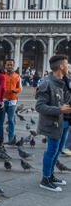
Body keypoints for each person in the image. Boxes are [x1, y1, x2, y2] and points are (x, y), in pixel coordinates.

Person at [36, 55, 71, 192]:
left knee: (57, 152)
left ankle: (51, 175)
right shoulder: (47, 83)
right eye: (67, 64)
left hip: (65, 122)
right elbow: (39, 107)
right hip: (54, 123)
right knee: (51, 151)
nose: (68, 67)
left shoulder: (65, 81)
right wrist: (59, 109)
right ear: (61, 66)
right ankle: (45, 179)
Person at [3, 59, 22, 145]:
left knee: (11, 120)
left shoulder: (17, 76)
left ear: (14, 66)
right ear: (5, 66)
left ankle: (11, 138)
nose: (9, 66)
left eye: (11, 65)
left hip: (13, 101)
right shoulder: (2, 76)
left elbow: (20, 88)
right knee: (0, 120)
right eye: (8, 65)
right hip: (3, 100)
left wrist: (16, 90)